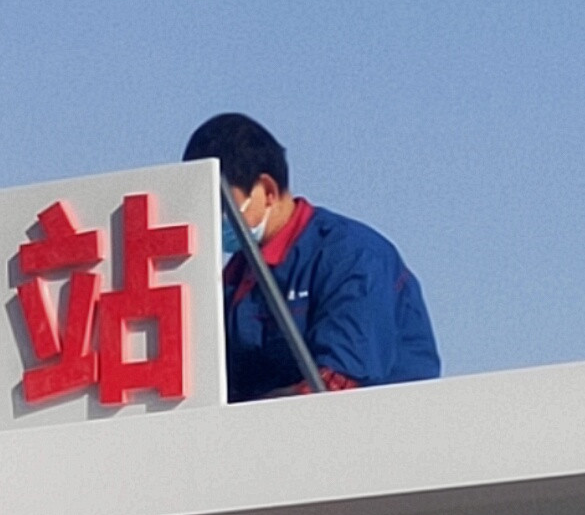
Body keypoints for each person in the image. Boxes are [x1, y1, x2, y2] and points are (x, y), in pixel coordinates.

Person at [183, 114, 438, 398]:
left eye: (221, 205)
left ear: (267, 191)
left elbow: (340, 383)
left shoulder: (354, 257)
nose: (213, 218)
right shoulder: (235, 277)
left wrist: (250, 411)